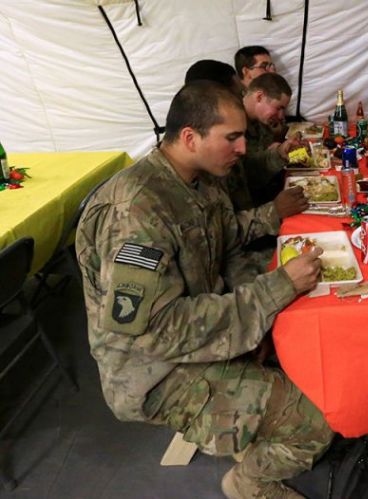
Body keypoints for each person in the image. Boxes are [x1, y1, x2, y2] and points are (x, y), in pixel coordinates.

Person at [76, 81, 333, 499]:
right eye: (231, 138)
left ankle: (244, 430)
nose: (243, 149)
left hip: (190, 338)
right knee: (317, 422)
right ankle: (250, 484)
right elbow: (154, 331)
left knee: (300, 350)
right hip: (155, 372)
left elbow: (220, 234)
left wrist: (270, 220)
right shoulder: (137, 211)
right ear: (191, 137)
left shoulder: (197, 179)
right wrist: (273, 291)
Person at [183, 61, 308, 265]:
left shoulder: (211, 154)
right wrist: (273, 211)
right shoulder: (160, 192)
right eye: (235, 96)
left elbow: (247, 172)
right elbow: (217, 242)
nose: (241, 148)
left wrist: (279, 153)